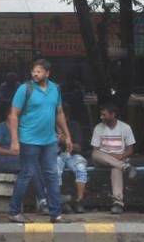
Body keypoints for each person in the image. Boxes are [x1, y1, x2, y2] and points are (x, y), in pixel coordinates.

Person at [7, 59, 73, 224]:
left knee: (52, 174)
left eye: (39, 71)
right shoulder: (25, 89)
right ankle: (14, 212)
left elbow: (59, 113)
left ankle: (55, 214)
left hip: (49, 139)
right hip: (29, 138)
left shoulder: (55, 89)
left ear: (47, 73)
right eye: (33, 71)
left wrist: (67, 135)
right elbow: (13, 114)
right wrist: (15, 140)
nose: (35, 74)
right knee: (27, 173)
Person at [90, 103, 136, 214]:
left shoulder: (125, 127)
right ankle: (126, 167)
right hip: (102, 159)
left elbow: (130, 150)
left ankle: (118, 203)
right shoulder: (98, 127)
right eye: (101, 115)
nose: (101, 117)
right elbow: (95, 149)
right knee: (95, 154)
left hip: (119, 158)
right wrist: (111, 157)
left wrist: (120, 156)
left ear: (113, 115)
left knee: (116, 168)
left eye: (104, 115)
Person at [54, 114, 89, 213]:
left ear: (67, 117)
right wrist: (56, 140)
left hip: (72, 155)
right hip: (56, 156)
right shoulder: (49, 126)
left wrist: (66, 141)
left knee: (81, 168)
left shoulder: (73, 126)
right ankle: (60, 201)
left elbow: (78, 147)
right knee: (55, 168)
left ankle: (79, 201)